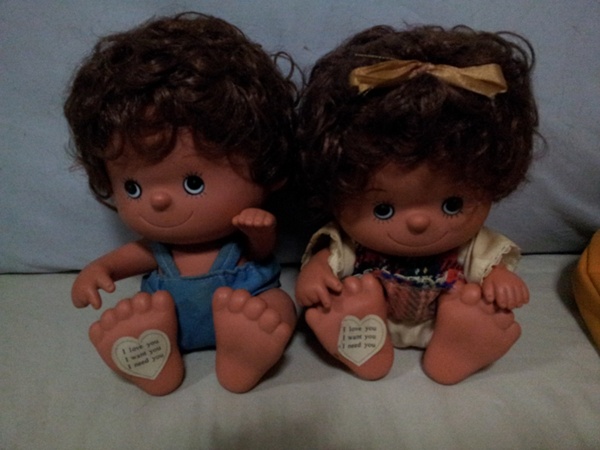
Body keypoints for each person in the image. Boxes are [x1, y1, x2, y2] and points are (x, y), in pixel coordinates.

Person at [64, 12, 297, 395]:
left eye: (193, 183)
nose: (157, 199)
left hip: (243, 305)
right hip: (169, 317)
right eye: (133, 187)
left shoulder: (235, 237)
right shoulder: (156, 249)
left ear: (266, 164)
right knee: (149, 310)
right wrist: (97, 271)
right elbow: (124, 260)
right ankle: (154, 353)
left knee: (277, 306)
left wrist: (261, 232)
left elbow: (259, 253)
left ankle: (244, 354)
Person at [295, 24, 538, 384]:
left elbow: (487, 260)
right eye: (383, 209)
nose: (419, 222)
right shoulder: (350, 241)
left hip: (439, 322)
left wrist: (499, 277)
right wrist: (316, 272)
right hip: (374, 315)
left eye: (452, 204)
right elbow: (331, 256)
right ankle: (362, 338)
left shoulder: (468, 244)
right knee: (351, 296)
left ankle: (459, 342)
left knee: (470, 301)